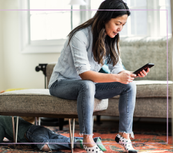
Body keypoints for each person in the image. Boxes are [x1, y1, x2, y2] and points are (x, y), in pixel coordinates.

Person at [48, 0, 150, 153]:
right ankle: (87, 140)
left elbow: (117, 69)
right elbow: (84, 74)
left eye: (123, 24)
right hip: (61, 83)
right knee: (87, 84)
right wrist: (116, 78)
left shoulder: (111, 39)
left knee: (129, 85)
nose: (120, 29)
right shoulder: (80, 35)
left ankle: (124, 135)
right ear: (105, 18)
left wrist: (129, 75)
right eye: (117, 23)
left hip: (86, 86)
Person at [0, 102, 106, 152]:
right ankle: (91, 141)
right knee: (59, 138)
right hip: (38, 129)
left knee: (45, 146)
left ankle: (80, 143)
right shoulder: (7, 116)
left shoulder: (0, 120)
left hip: (31, 134)